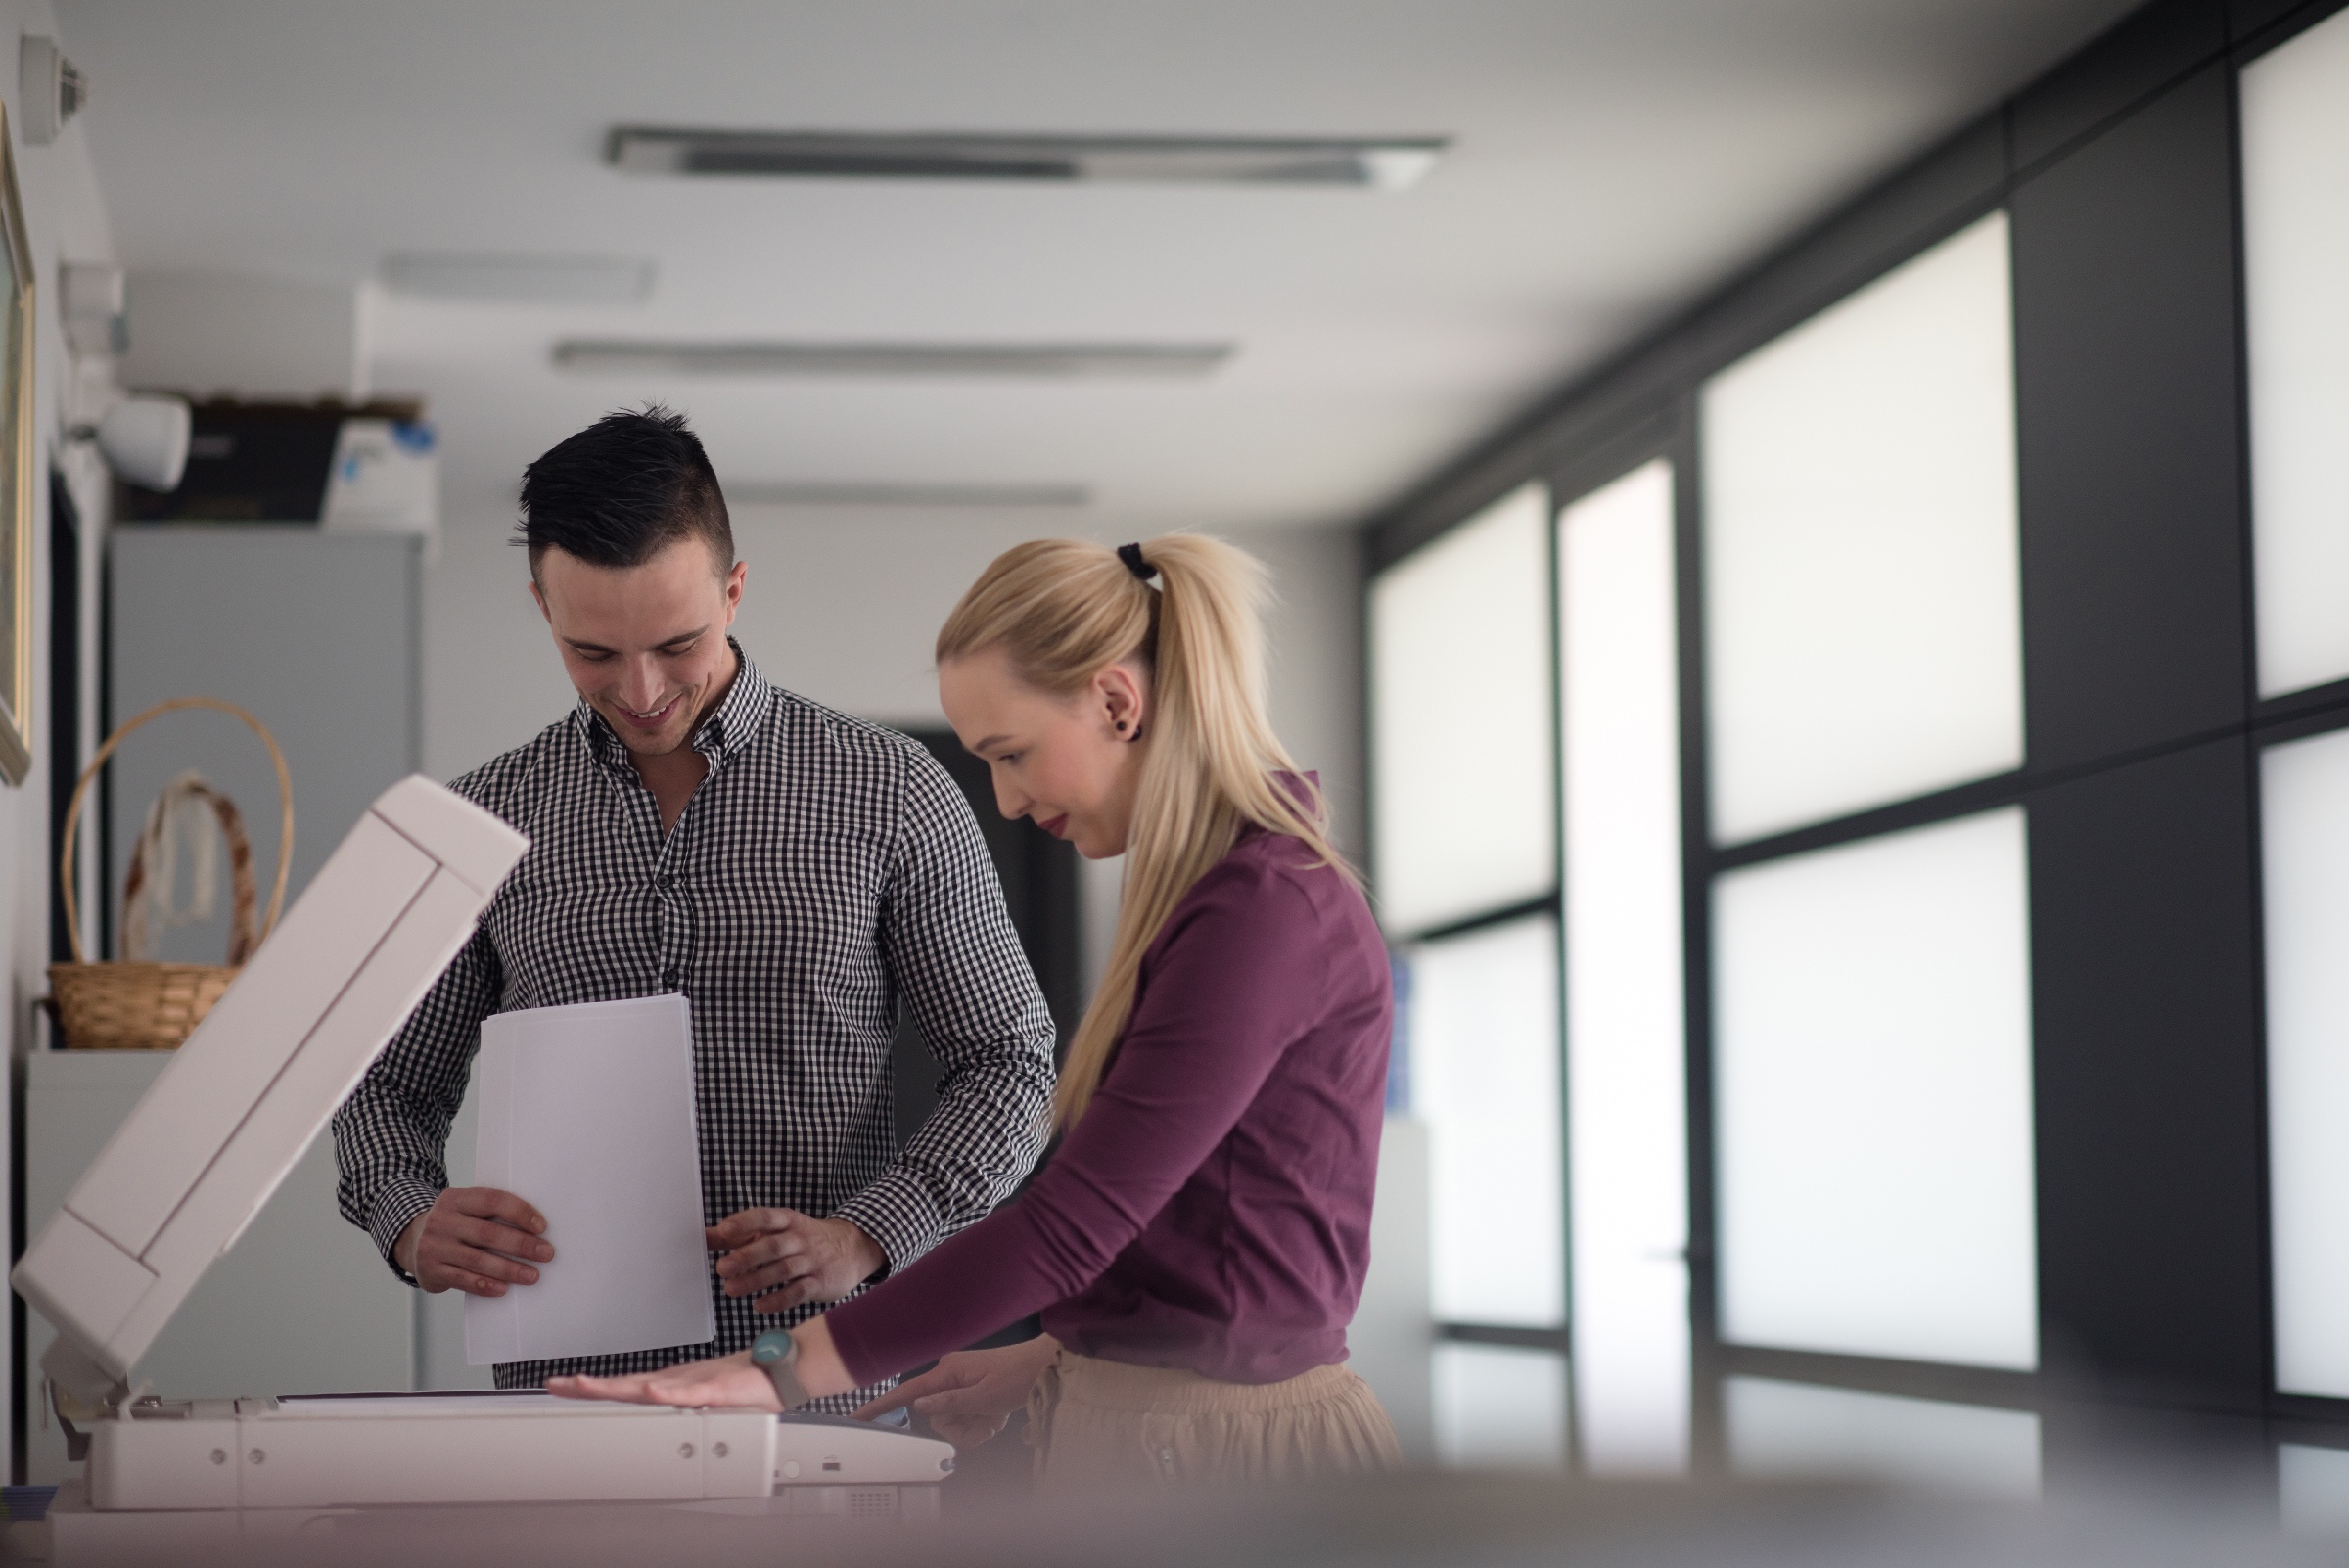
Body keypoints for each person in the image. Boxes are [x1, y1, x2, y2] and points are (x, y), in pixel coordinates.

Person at [553, 533, 1404, 1487]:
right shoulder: (1218, 898)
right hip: (1159, 1429)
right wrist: (1055, 1357)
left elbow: (1070, 1225)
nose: (1003, 799)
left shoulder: (1262, 908)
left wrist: (765, 1378)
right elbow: (1207, 1231)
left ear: (1118, 703)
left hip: (1218, 1459)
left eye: (1012, 753)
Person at [330, 407, 1057, 1409]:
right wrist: (413, 1220)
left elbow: (1011, 1064)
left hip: (818, 1405)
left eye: (678, 643)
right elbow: (382, 1090)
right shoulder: (481, 821)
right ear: (541, 606)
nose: (641, 690)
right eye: (593, 652)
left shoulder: (892, 791)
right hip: (564, 1416)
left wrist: (870, 1235)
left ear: (734, 588)